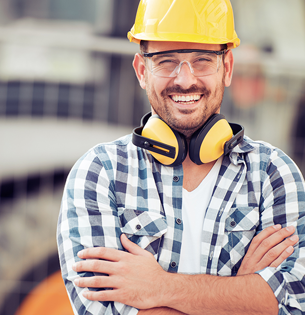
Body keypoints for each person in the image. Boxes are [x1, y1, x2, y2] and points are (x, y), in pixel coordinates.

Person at [56, 0, 305, 314]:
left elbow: (293, 305)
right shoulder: (99, 173)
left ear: (227, 68)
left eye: (202, 60)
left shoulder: (274, 175)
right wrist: (242, 294)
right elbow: (102, 310)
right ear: (142, 70)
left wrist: (159, 287)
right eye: (166, 61)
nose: (185, 80)